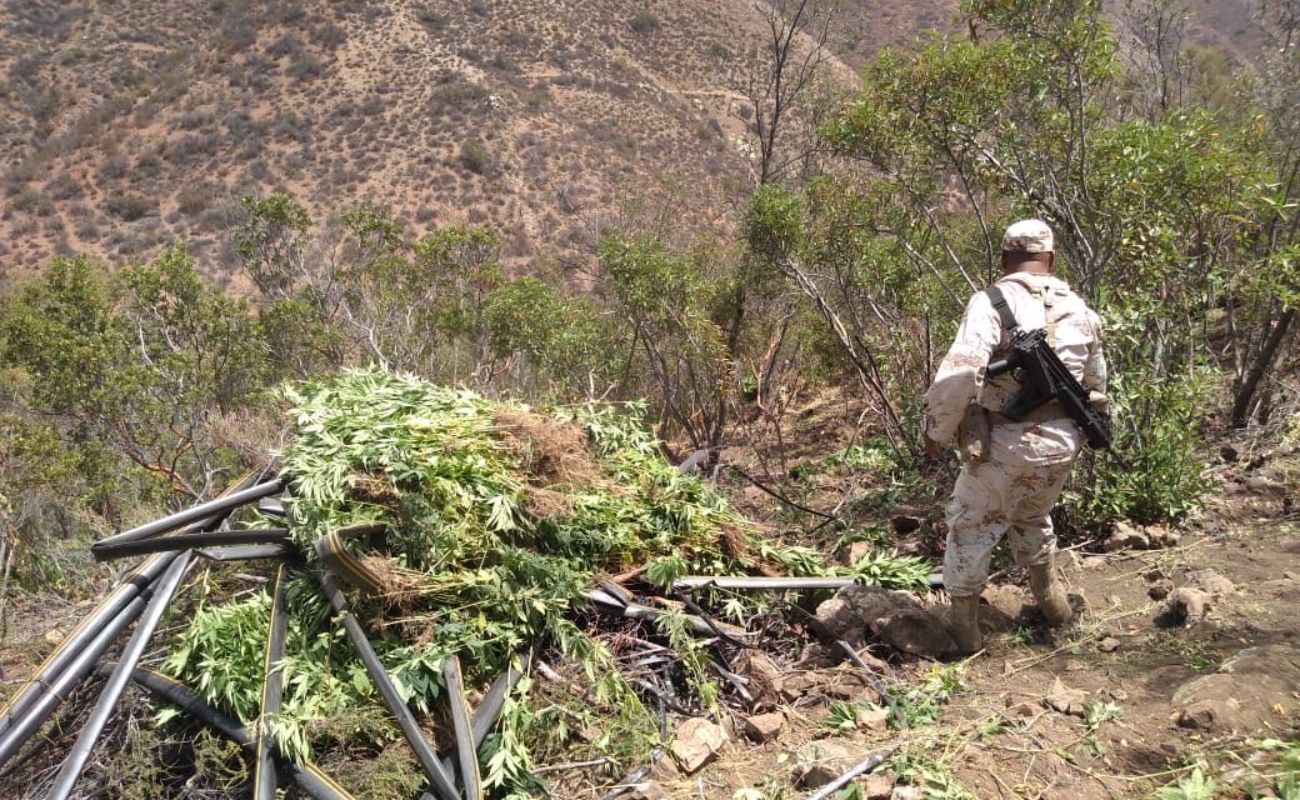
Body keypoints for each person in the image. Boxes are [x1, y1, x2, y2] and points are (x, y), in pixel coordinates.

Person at [922, 219, 1107, 654]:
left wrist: (936, 429)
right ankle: (1055, 610)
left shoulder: (991, 303)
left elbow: (962, 373)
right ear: (1052, 259)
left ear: (1004, 259)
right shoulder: (1081, 309)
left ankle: (965, 637)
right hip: (1063, 444)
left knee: (971, 527)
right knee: (1032, 517)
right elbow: (1096, 386)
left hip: (1007, 442)